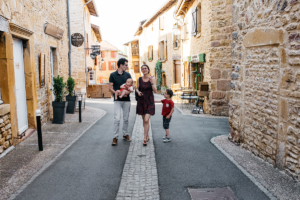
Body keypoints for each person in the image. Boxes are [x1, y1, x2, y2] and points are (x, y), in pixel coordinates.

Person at [109, 58, 133, 146]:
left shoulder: (128, 74)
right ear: (121, 65)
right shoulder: (112, 75)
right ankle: (115, 137)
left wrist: (128, 92)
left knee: (126, 118)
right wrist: (115, 92)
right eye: (126, 65)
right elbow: (110, 87)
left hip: (126, 100)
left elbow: (131, 86)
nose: (127, 66)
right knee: (117, 119)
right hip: (117, 100)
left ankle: (125, 134)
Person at [136, 64, 157, 146]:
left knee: (146, 120)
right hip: (141, 101)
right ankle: (147, 135)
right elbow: (137, 88)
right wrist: (138, 92)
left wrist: (152, 83)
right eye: (142, 69)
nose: (144, 69)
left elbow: (155, 91)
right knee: (144, 120)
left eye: (145, 68)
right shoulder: (139, 79)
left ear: (148, 69)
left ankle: (144, 138)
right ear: (141, 70)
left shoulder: (152, 78)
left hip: (149, 100)